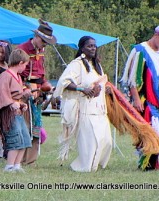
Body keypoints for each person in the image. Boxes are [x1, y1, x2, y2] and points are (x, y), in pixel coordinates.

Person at [121, 24, 159, 171]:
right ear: (156, 35)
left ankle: (151, 163)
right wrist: (135, 99)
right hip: (144, 99)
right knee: (151, 130)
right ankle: (146, 163)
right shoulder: (140, 50)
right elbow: (132, 78)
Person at [53, 36, 112, 172]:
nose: (93, 48)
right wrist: (82, 89)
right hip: (86, 109)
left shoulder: (97, 66)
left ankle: (97, 164)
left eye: (94, 46)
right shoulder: (77, 64)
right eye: (89, 46)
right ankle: (84, 166)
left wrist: (106, 89)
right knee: (91, 142)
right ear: (82, 48)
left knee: (106, 140)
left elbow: (101, 83)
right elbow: (64, 82)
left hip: (100, 109)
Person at [17, 19, 57, 166]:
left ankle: (31, 159)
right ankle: (19, 159)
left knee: (36, 126)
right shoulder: (21, 50)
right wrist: (24, 88)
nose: (45, 44)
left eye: (47, 42)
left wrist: (46, 86)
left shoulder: (41, 51)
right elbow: (14, 73)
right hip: (24, 90)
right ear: (37, 37)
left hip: (38, 91)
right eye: (44, 41)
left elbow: (42, 73)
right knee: (24, 125)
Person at [0, 49, 32, 172]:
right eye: (25, 65)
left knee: (24, 138)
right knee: (14, 138)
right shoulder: (6, 76)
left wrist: (21, 103)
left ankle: (17, 165)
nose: (25, 67)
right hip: (9, 114)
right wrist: (11, 102)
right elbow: (0, 93)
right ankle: (9, 166)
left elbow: (17, 96)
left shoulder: (18, 77)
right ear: (20, 62)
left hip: (18, 113)